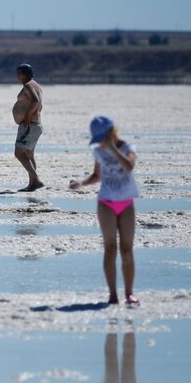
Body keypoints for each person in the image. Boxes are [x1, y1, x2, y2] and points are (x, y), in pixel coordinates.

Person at [69, 116, 139, 305]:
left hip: (126, 203)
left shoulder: (127, 148)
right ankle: (113, 295)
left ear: (112, 133)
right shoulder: (98, 151)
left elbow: (129, 167)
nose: (100, 142)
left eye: (102, 138)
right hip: (106, 202)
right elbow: (97, 175)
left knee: (126, 249)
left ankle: (129, 293)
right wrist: (81, 183)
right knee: (110, 249)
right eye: (98, 139)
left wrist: (114, 149)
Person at [13, 63, 44, 192]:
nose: (17, 76)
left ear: (23, 74)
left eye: (19, 73)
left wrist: (26, 117)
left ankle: (36, 180)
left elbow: (36, 101)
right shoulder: (36, 85)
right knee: (29, 154)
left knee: (19, 153)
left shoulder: (28, 85)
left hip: (29, 125)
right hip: (34, 125)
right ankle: (32, 184)